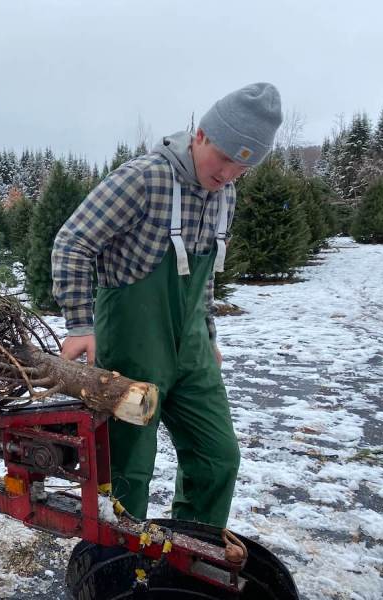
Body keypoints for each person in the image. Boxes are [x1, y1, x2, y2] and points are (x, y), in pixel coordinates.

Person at [52, 83, 282, 528]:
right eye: (224, 157)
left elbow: (205, 275)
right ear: (201, 135)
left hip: (191, 350)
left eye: (243, 166)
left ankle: (193, 551)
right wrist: (80, 325)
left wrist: (207, 334)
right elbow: (73, 241)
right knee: (127, 470)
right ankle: (117, 558)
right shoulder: (144, 179)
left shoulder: (225, 196)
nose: (229, 173)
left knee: (217, 458)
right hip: (132, 351)